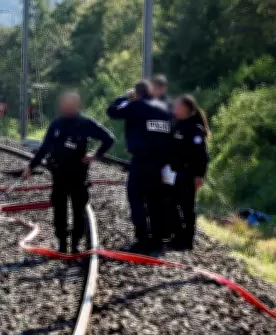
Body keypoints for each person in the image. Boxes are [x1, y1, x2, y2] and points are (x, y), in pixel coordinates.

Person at [21, 92, 115, 254]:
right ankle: (62, 244)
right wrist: (31, 166)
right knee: (59, 210)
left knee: (79, 210)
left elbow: (108, 138)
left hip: (78, 175)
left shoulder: (85, 123)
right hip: (59, 175)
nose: (65, 107)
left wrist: (96, 155)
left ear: (76, 105)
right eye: (64, 104)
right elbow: (44, 148)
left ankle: (76, 244)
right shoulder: (56, 124)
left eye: (69, 104)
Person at [107, 80, 173, 255]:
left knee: (136, 197)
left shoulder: (136, 105)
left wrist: (124, 97)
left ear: (136, 93)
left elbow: (112, 111)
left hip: (143, 160)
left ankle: (143, 240)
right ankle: (159, 241)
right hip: (163, 162)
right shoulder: (165, 108)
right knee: (157, 200)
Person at [168, 95, 210, 250]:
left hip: (189, 173)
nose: (174, 109)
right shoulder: (179, 124)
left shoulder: (194, 129)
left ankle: (186, 241)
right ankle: (177, 235)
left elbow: (202, 155)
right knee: (173, 203)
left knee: (186, 207)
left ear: (185, 108)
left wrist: (200, 175)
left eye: (177, 106)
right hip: (178, 172)